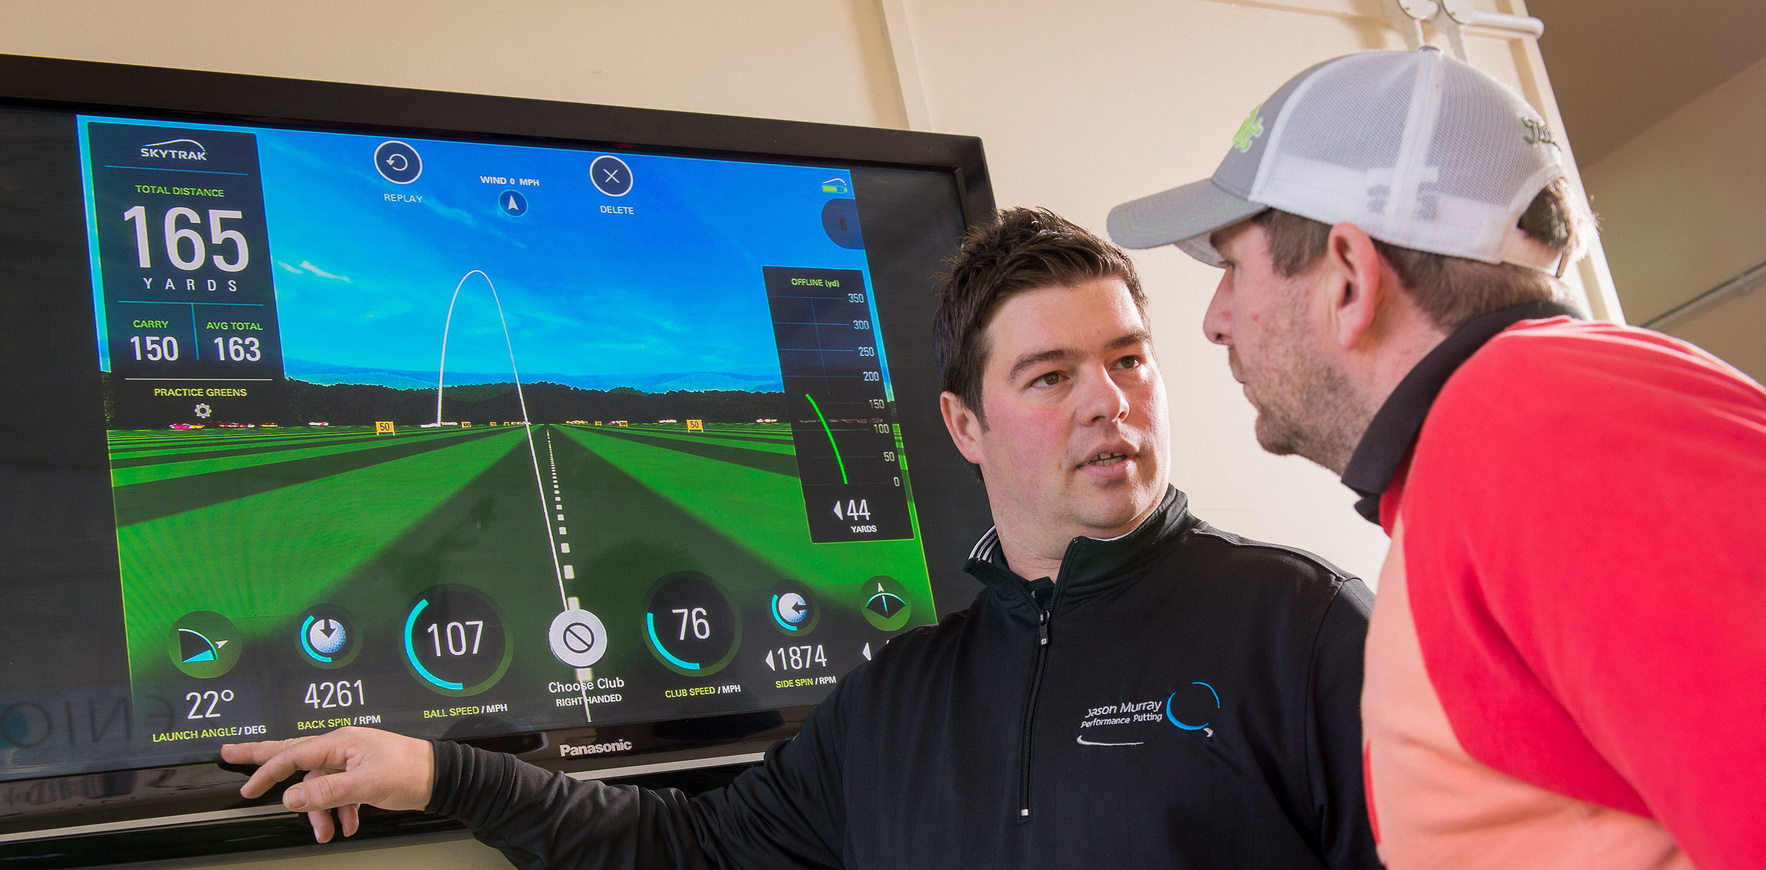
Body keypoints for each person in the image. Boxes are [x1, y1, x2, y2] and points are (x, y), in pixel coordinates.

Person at [225, 208, 1379, 869]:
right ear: (964, 426)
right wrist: (443, 774)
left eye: (1129, 360)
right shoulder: (899, 698)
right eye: (1051, 375)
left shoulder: (1304, 628)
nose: (1109, 402)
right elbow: (690, 854)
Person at [1108, 45, 1766, 869]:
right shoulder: (1495, 447)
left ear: (1348, 278)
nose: (1214, 320)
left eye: (1232, 267)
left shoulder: (1543, 430)